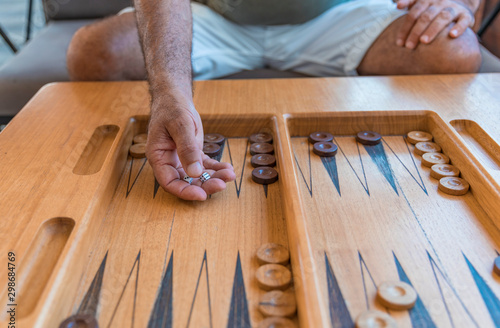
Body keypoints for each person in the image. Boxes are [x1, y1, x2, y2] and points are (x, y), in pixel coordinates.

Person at [66, 0, 482, 201]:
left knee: (455, 50)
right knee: (91, 54)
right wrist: (171, 89)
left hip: (336, 15)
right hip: (211, 16)